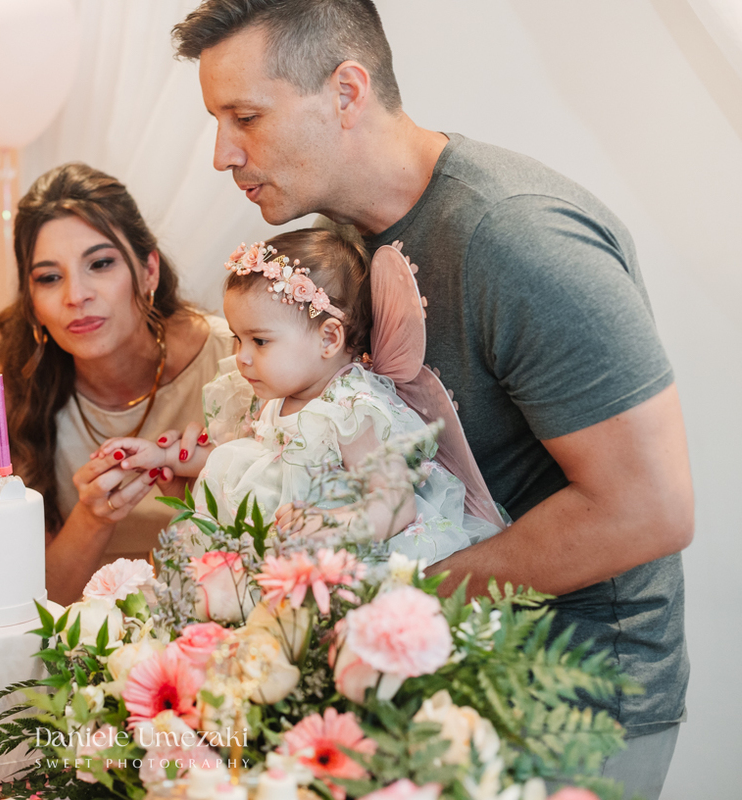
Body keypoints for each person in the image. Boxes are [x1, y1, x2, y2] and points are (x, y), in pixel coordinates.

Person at [171, 2, 693, 797]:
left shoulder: (515, 239)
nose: (221, 154)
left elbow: (648, 506)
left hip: (570, 705)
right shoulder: (346, 241)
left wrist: (389, 606)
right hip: (433, 679)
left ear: (347, 91)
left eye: (245, 116)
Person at [101, 228, 506, 564]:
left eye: (259, 340)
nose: (241, 357)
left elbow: (394, 503)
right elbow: (253, 460)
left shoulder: (349, 408)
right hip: (269, 550)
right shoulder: (277, 395)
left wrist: (335, 526)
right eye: (238, 338)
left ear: (329, 337)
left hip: (329, 562)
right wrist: (165, 458)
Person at [0, 163, 229, 605]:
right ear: (32, 301)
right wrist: (93, 518)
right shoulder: (15, 394)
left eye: (100, 264)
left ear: (149, 270)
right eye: (49, 277)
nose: (75, 295)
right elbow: (28, 604)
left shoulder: (235, 361)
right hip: (77, 650)